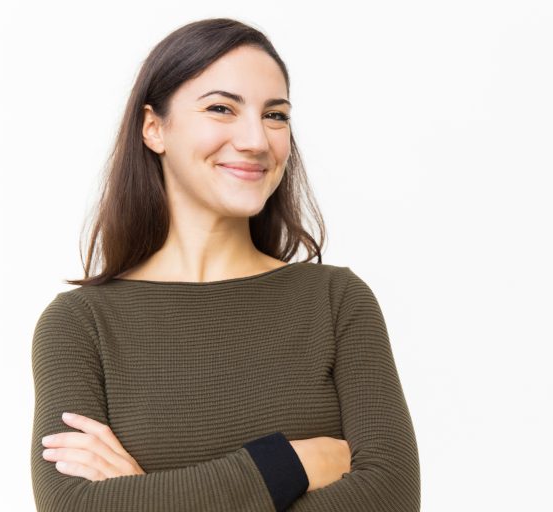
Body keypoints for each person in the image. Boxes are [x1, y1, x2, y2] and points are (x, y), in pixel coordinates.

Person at [30, 17, 421, 512]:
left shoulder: (336, 302)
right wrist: (289, 465)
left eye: (275, 116)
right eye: (221, 108)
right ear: (154, 128)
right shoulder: (79, 324)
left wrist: (145, 493)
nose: (257, 140)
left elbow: (391, 497)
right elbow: (75, 507)